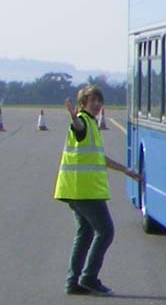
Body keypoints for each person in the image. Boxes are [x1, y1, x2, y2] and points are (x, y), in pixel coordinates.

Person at [54, 85, 140, 296]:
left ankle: (72, 282)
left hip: (75, 189)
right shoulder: (83, 121)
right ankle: (89, 278)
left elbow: (98, 159)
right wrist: (73, 118)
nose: (98, 104)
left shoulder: (92, 124)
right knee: (106, 231)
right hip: (84, 191)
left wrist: (125, 170)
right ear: (83, 104)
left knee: (85, 233)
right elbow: (77, 127)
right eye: (92, 101)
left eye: (99, 101)